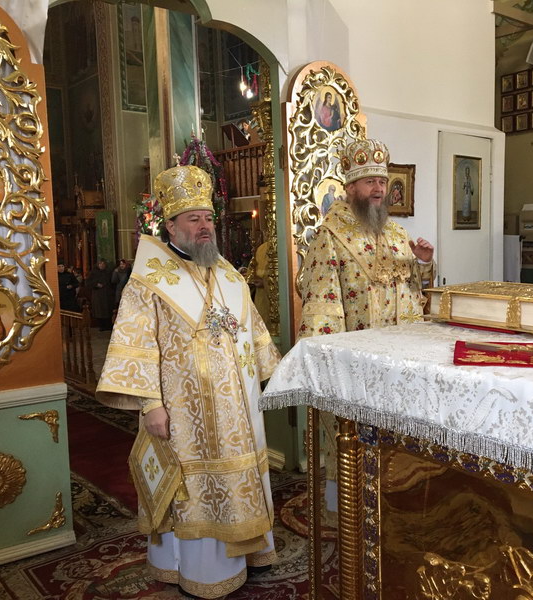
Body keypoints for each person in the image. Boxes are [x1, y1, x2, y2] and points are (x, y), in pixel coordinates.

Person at [96, 165, 280, 600]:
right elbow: (135, 345)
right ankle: (198, 571)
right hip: (184, 415)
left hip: (238, 411)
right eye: (194, 218)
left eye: (209, 218)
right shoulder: (148, 281)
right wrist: (150, 405)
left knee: (242, 478)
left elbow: (254, 334)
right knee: (191, 491)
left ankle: (249, 554)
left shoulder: (229, 274)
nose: (204, 226)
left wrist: (271, 380)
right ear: (171, 225)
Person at [297, 138, 434, 511]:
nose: (378, 188)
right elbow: (321, 302)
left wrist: (422, 264)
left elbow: (413, 293)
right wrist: (327, 364)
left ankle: (394, 507)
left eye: (382, 181)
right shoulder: (331, 235)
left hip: (399, 361)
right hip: (355, 364)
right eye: (370, 181)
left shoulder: (397, 234)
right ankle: (347, 512)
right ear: (351, 187)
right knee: (353, 446)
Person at [85, 258, 113, 330]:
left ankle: (108, 325)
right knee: (99, 310)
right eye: (100, 264)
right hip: (97, 294)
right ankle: (101, 325)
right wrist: (96, 284)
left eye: (103, 264)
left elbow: (112, 281)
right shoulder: (93, 272)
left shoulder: (108, 272)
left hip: (107, 293)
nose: (102, 265)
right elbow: (88, 283)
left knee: (107, 309)